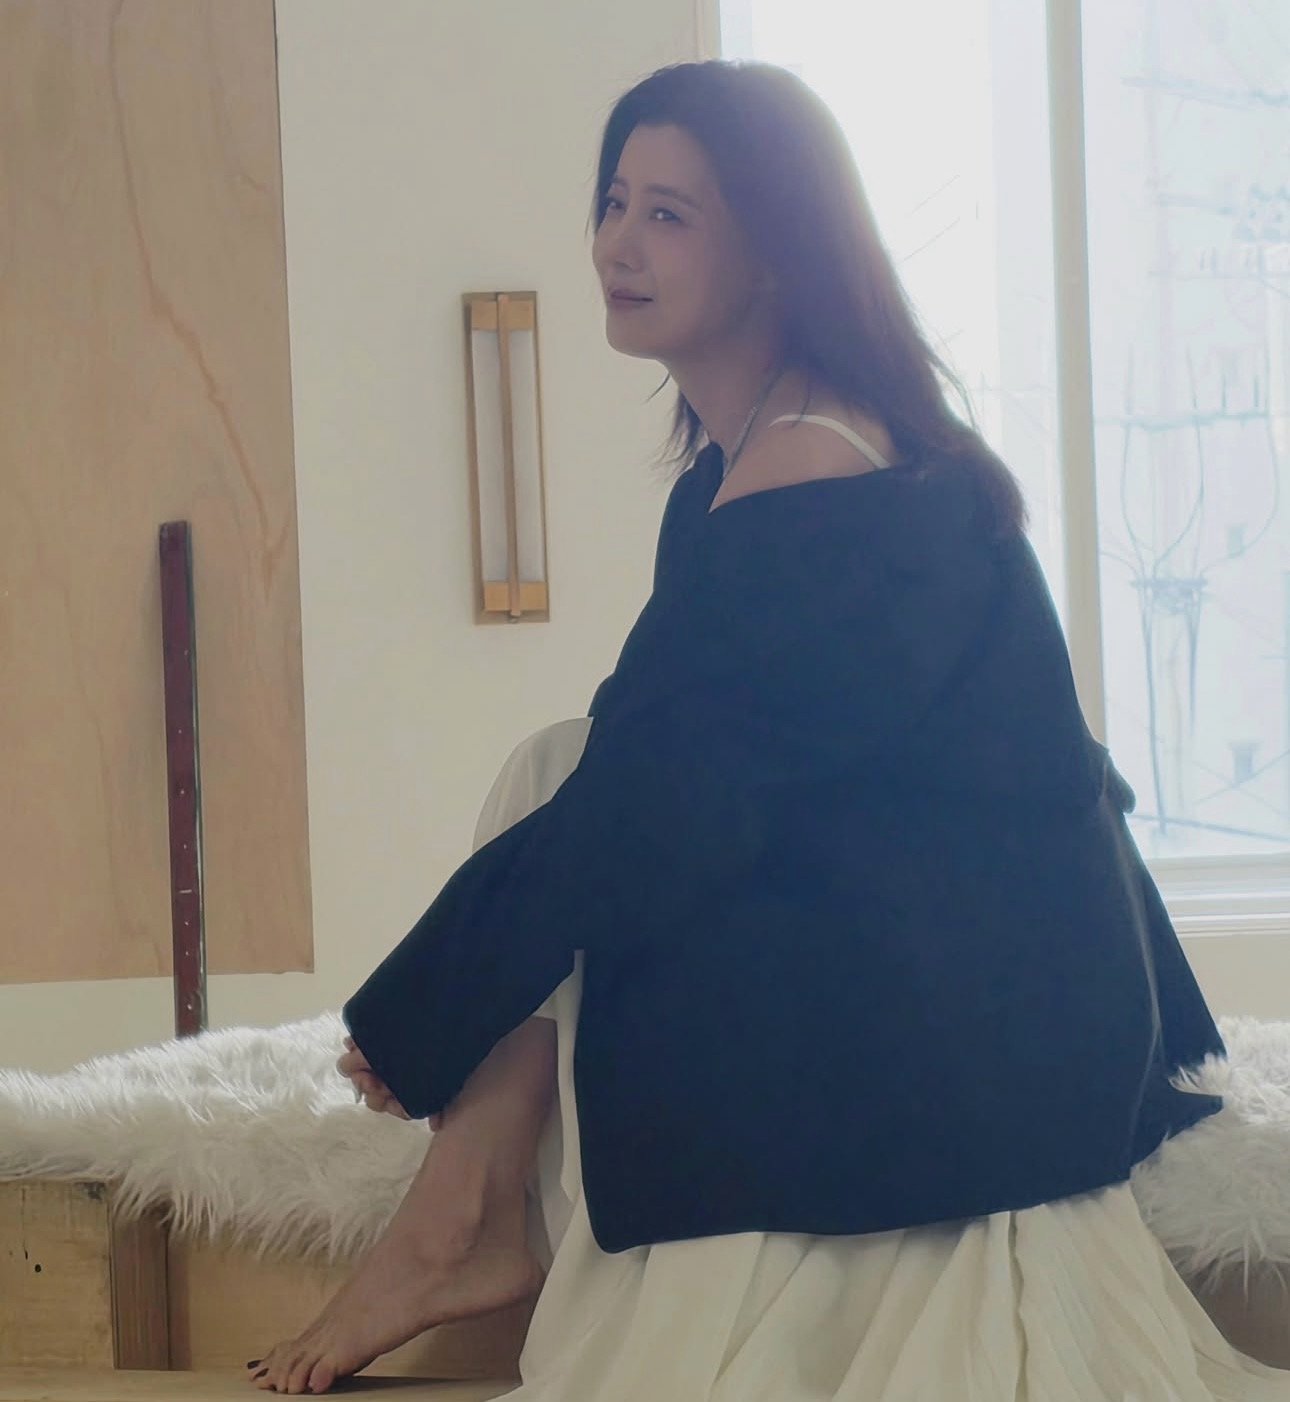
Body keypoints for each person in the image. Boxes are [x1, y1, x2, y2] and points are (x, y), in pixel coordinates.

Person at [249, 60, 1290, 1399]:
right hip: (930, 921)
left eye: (669, 214)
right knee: (560, 758)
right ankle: (466, 1212)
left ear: (774, 251)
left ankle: (455, 1223)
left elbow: (653, 806)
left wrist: (430, 1009)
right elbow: (650, 756)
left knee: (583, 789)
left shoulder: (816, 467)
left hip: (995, 993)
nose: (616, 244)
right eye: (614, 201)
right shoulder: (745, 462)